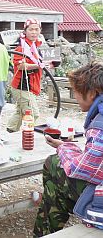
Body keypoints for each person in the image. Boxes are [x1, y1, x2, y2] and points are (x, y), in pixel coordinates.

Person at [33, 62, 103, 236]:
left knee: (53, 165)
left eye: (76, 92)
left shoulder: (100, 124)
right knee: (54, 187)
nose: (75, 96)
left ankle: (42, 232)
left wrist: (65, 148)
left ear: (93, 93)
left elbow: (82, 169)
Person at [7, 18, 47, 132]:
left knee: (20, 112)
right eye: (31, 29)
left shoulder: (35, 47)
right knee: (32, 113)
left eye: (36, 29)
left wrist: (47, 65)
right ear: (25, 31)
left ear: (40, 31)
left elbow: (39, 64)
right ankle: (26, 134)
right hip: (23, 86)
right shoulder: (21, 48)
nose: (34, 32)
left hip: (31, 85)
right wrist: (38, 66)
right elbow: (20, 66)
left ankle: (10, 132)